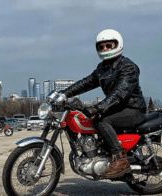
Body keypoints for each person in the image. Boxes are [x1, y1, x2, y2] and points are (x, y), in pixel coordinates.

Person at [55, 29, 147, 178]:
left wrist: (97, 108)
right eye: (101, 46)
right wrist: (64, 94)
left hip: (133, 109)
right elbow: (85, 83)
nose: (105, 49)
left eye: (109, 45)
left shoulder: (128, 67)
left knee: (102, 121)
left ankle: (120, 159)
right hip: (116, 109)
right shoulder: (102, 68)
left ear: (118, 45)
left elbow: (119, 94)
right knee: (92, 121)